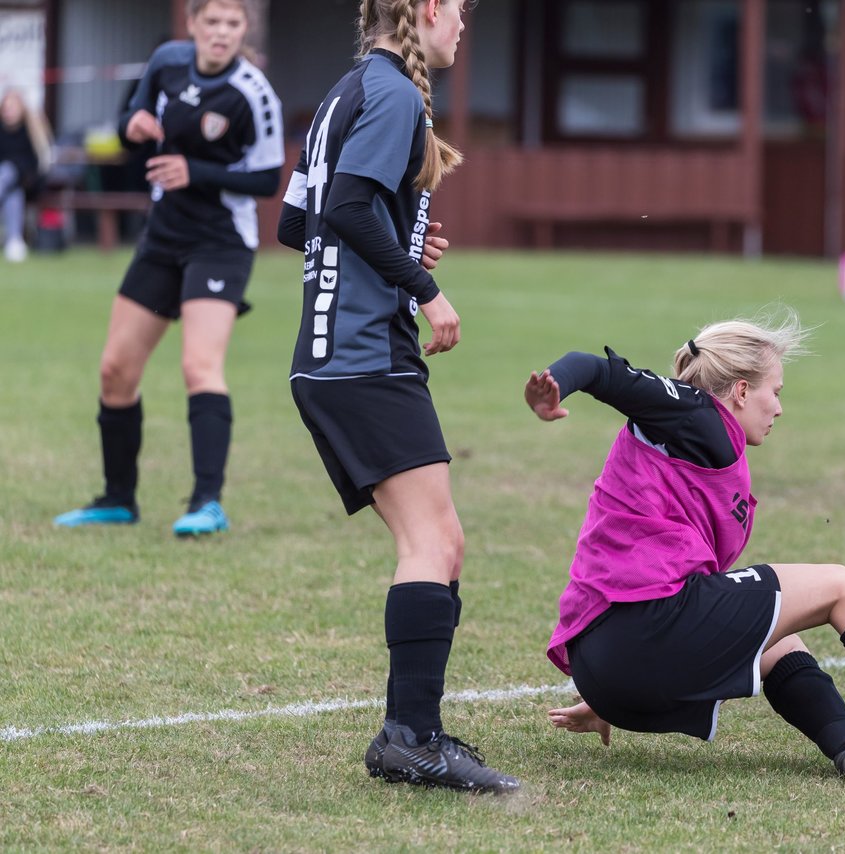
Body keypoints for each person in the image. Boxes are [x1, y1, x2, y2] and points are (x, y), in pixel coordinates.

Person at [526, 312, 845, 779]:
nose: (778, 407)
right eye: (774, 391)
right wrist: (555, 389)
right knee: (837, 586)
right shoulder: (695, 414)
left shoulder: (693, 439)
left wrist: (610, 693)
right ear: (739, 391)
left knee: (775, 634)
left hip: (605, 662)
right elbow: (591, 366)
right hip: (639, 636)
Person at [276, 0, 519, 794]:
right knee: (434, 545)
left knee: (441, 543)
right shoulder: (394, 94)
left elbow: (297, 224)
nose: (462, 27)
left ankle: (417, 730)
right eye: (458, 12)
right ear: (423, 10)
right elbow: (345, 207)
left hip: (333, 358)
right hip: (362, 358)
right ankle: (408, 739)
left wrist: (403, 236)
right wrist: (424, 284)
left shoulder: (348, 90)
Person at [53, 0, 284, 536]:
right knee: (116, 369)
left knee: (199, 366)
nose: (222, 33)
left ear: (243, 29)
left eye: (233, 24)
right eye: (213, 22)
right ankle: (117, 498)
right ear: (193, 24)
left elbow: (269, 179)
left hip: (220, 241)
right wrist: (131, 126)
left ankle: (207, 504)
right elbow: (130, 120)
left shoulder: (254, 93)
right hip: (164, 233)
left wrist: (195, 170)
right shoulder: (166, 63)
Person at [0, 88, 52, 263]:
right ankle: (14, 241)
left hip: (28, 183)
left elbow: (37, 165)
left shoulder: (31, 131)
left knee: (8, 171)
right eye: (6, 108)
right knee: (12, 194)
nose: (8, 111)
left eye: (12, 107)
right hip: (11, 189)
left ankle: (14, 241)